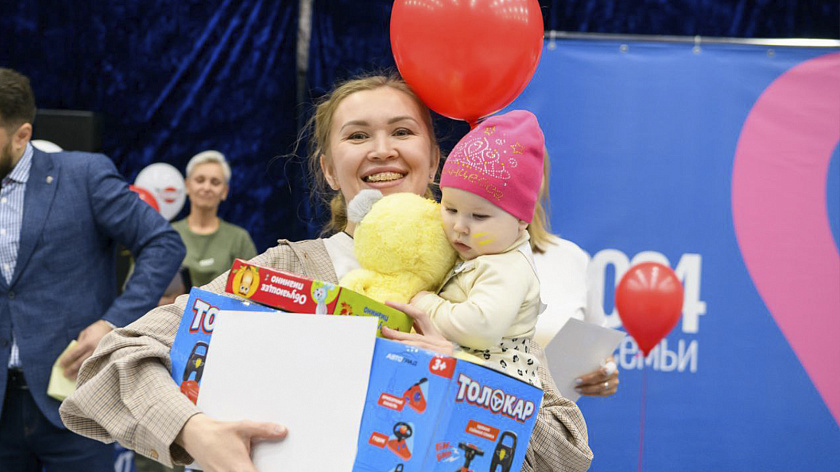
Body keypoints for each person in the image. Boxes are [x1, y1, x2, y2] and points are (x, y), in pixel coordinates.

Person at [60, 74, 594, 472]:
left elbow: (567, 451)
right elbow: (112, 362)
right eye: (357, 135)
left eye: (402, 131)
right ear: (328, 169)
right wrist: (194, 432)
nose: (382, 149)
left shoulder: (484, 285)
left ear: (435, 159)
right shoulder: (287, 271)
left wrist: (464, 379)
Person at [0, 67, 185, 470]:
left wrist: (113, 322)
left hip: (75, 397)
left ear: (22, 135)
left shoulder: (83, 175)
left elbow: (162, 242)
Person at [411, 110, 546, 387]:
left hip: (496, 396)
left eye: (479, 217)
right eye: (450, 209)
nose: (460, 226)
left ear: (521, 221)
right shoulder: (482, 253)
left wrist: (425, 304)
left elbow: (479, 327)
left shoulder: (507, 267)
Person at [529, 156, 620, 398]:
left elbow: (598, 351)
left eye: (532, 167)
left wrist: (604, 372)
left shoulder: (571, 258)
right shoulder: (454, 254)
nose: (521, 180)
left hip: (552, 430)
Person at [171, 150, 257, 287]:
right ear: (187, 186)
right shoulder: (168, 235)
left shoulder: (240, 239)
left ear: (225, 192)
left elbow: (251, 291)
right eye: (200, 180)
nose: (206, 187)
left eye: (215, 182)